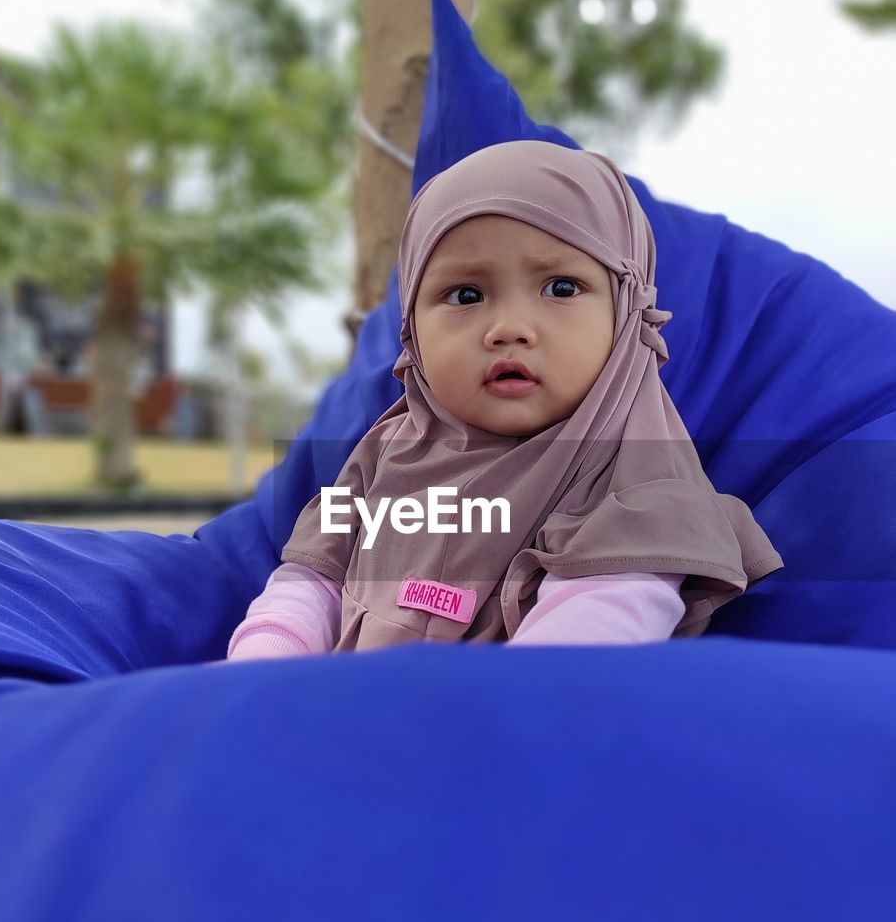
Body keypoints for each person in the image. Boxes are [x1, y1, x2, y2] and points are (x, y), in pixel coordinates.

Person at [224, 140, 783, 661]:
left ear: (626, 310)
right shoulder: (384, 456)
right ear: (412, 332)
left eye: (561, 288)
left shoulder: (635, 479)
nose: (509, 328)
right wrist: (267, 663)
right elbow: (310, 583)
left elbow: (585, 640)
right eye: (466, 295)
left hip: (503, 741)